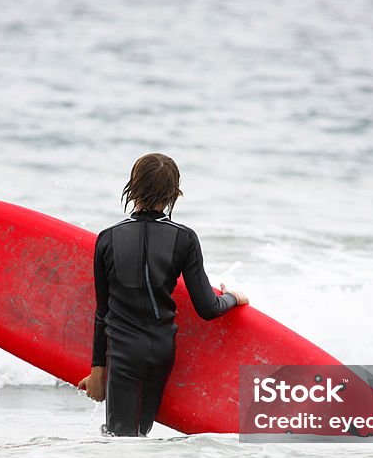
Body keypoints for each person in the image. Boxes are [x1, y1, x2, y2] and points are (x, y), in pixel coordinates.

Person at [77, 153, 249, 436]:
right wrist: (233, 298)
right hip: (161, 352)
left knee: (118, 439)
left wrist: (98, 371)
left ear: (132, 186)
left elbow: (103, 311)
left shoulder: (108, 238)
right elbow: (208, 307)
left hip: (123, 352)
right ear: (174, 193)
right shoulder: (185, 238)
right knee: (139, 434)